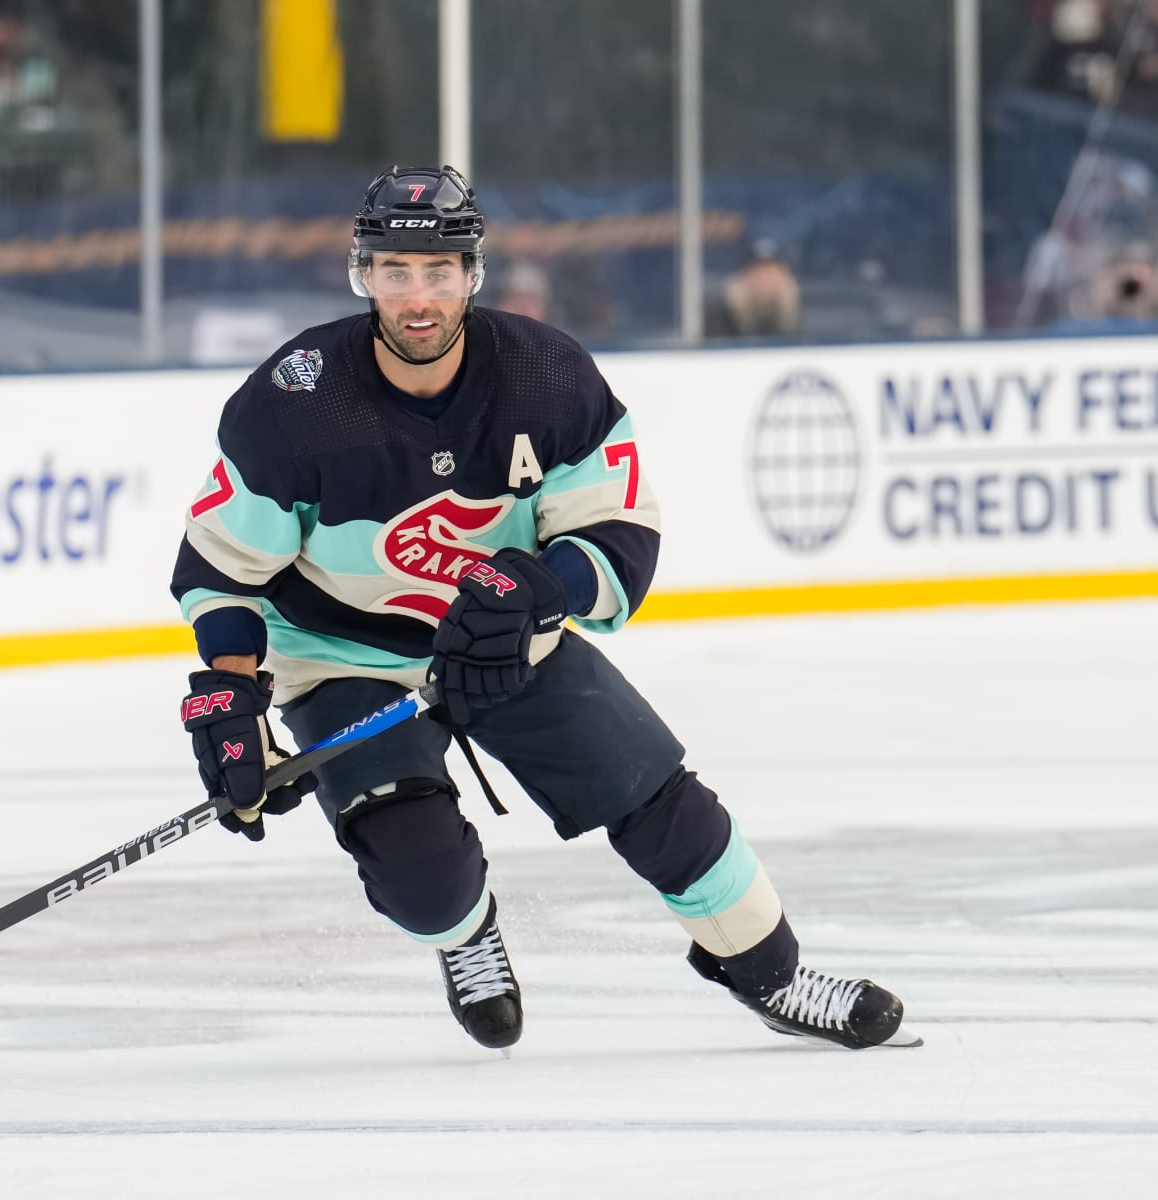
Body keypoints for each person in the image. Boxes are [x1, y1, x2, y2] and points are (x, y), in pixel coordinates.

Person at [169, 165, 917, 1053]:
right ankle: (466, 936)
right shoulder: (297, 400)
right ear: (361, 273)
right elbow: (221, 570)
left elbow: (620, 535)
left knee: (661, 803)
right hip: (343, 654)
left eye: (439, 271)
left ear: (472, 273)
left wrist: (536, 589)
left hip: (506, 638)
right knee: (418, 874)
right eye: (396, 272)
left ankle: (773, 972)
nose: (418, 297)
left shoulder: (544, 377)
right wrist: (230, 693)